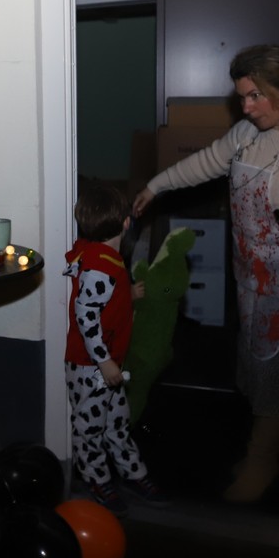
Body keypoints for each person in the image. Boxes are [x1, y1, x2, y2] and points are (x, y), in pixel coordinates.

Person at [132, 44, 279, 503]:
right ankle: (267, 446)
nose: (246, 107)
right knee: (261, 364)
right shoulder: (248, 133)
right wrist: (155, 186)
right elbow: (205, 162)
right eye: (242, 97)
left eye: (256, 96)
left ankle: (262, 460)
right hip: (256, 275)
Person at [64, 178, 169, 516]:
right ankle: (95, 479)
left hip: (106, 365)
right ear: (126, 223)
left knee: (117, 423)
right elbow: (86, 317)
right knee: (90, 428)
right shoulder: (100, 268)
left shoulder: (105, 258)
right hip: (91, 367)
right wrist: (105, 362)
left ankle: (132, 473)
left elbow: (106, 300)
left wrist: (129, 294)